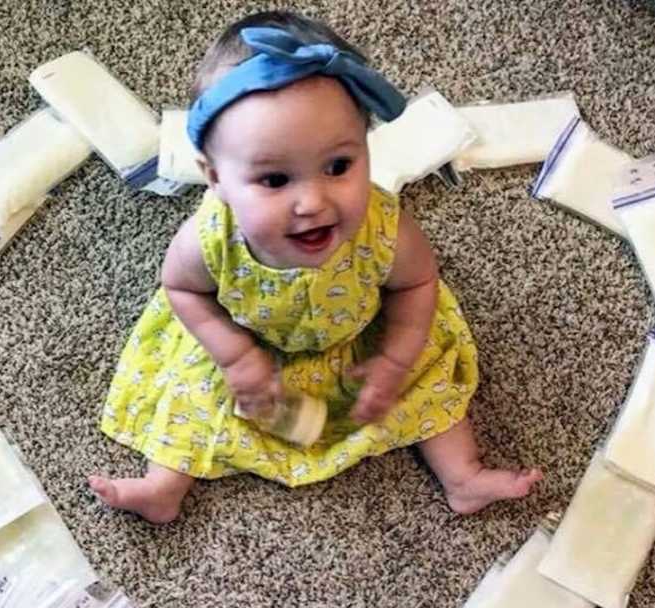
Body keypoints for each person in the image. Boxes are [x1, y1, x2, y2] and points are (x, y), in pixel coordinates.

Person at [90, 10, 542, 523]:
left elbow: (417, 284)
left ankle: (463, 477)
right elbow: (183, 291)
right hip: (252, 345)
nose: (313, 202)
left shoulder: (384, 228)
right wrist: (235, 356)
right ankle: (163, 487)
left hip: (359, 341)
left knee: (425, 380)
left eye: (338, 167)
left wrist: (395, 360)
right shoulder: (209, 241)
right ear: (216, 179)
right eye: (276, 180)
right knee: (191, 395)